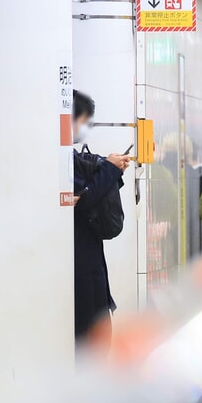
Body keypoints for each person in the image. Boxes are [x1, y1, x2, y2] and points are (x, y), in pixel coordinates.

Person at [71, 89, 131, 345]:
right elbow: (84, 200)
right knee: (89, 337)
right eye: (84, 121)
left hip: (87, 256)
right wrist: (109, 169)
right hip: (78, 260)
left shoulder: (69, 156)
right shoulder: (55, 158)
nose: (85, 128)